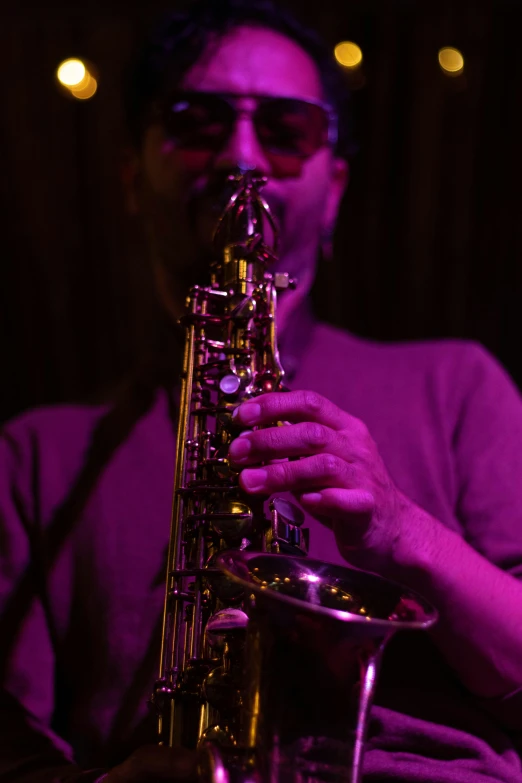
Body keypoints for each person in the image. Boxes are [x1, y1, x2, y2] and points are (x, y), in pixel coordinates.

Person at [1, 1, 522, 782]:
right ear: (132, 178)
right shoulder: (36, 452)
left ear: (336, 183)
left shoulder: (458, 382)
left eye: (286, 131)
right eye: (197, 120)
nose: (242, 153)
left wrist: (400, 529)